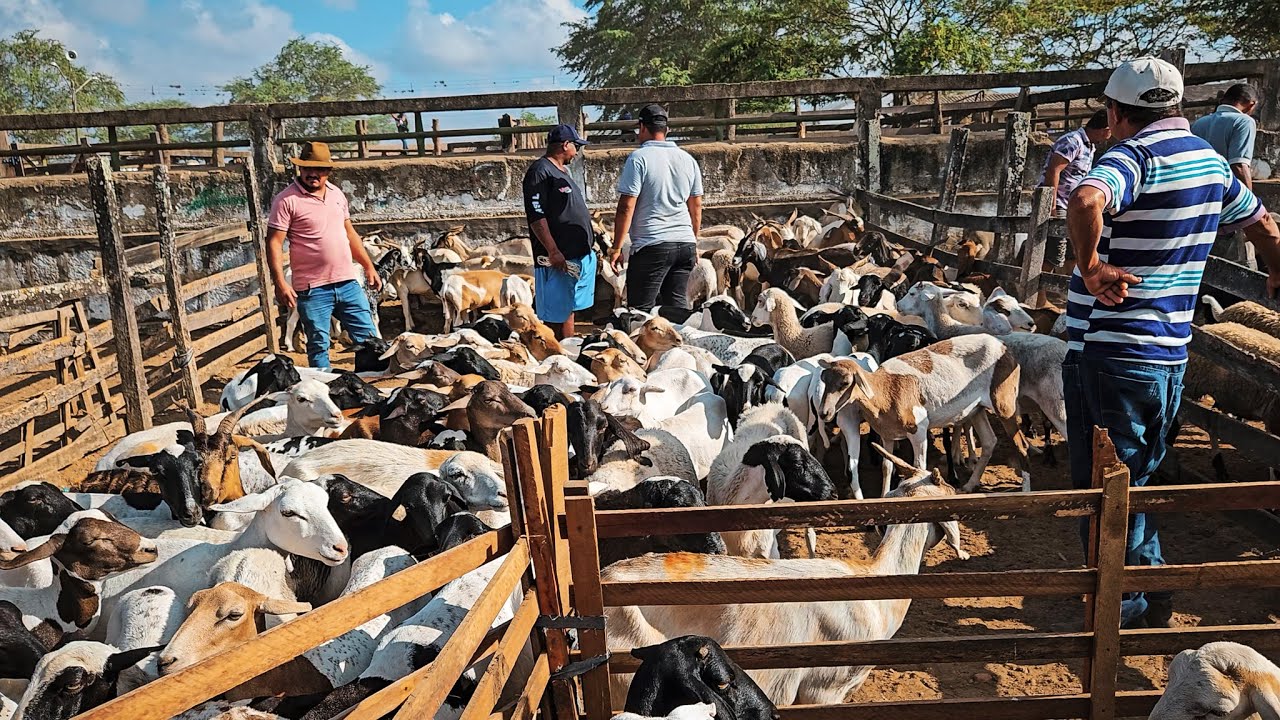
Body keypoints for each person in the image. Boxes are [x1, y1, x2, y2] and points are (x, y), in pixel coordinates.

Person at [1063, 57, 1280, 629]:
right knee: (1141, 473)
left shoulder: (1132, 158)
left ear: (1115, 113)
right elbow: (1263, 225)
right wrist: (1276, 270)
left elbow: (1087, 200)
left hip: (1111, 351)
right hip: (1167, 354)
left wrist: (1090, 268)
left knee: (1105, 485)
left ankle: (1123, 607)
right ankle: (1149, 590)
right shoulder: (1212, 164)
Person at [266, 141, 382, 370]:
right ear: (300, 169)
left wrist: (368, 265)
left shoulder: (337, 194)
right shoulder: (286, 200)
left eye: (318, 169)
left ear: (328, 171)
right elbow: (274, 242)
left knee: (369, 339)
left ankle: (369, 386)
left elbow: (350, 233)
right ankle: (324, 393)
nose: (312, 174)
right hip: (312, 287)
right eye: (307, 168)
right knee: (319, 344)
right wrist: (279, 283)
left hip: (347, 281)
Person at [608, 104, 704, 311]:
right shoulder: (688, 159)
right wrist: (693, 241)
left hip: (652, 244)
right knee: (677, 310)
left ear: (642, 127)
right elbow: (696, 205)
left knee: (639, 312)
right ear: (666, 130)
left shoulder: (638, 158)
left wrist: (616, 248)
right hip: (684, 242)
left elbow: (626, 206)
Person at [522, 124, 595, 339]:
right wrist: (553, 251)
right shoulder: (540, 171)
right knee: (556, 313)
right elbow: (537, 216)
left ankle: (568, 348)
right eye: (576, 146)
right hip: (557, 257)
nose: (577, 151)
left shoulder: (563, 172)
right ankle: (557, 354)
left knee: (568, 307)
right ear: (565, 145)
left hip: (576, 255)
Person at [1036, 109, 1111, 307]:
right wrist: (1050, 204)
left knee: (1073, 253)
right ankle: (1038, 298)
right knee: (1053, 253)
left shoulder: (1090, 146)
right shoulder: (1073, 141)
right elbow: (1054, 169)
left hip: (1072, 206)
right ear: (1105, 129)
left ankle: (1071, 298)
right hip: (1059, 203)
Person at [1193, 84, 1262, 267]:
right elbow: (1239, 165)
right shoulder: (1244, 122)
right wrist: (1249, 207)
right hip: (1229, 205)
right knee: (1242, 266)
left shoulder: (1200, 123)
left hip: (1199, 206)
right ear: (1251, 105)